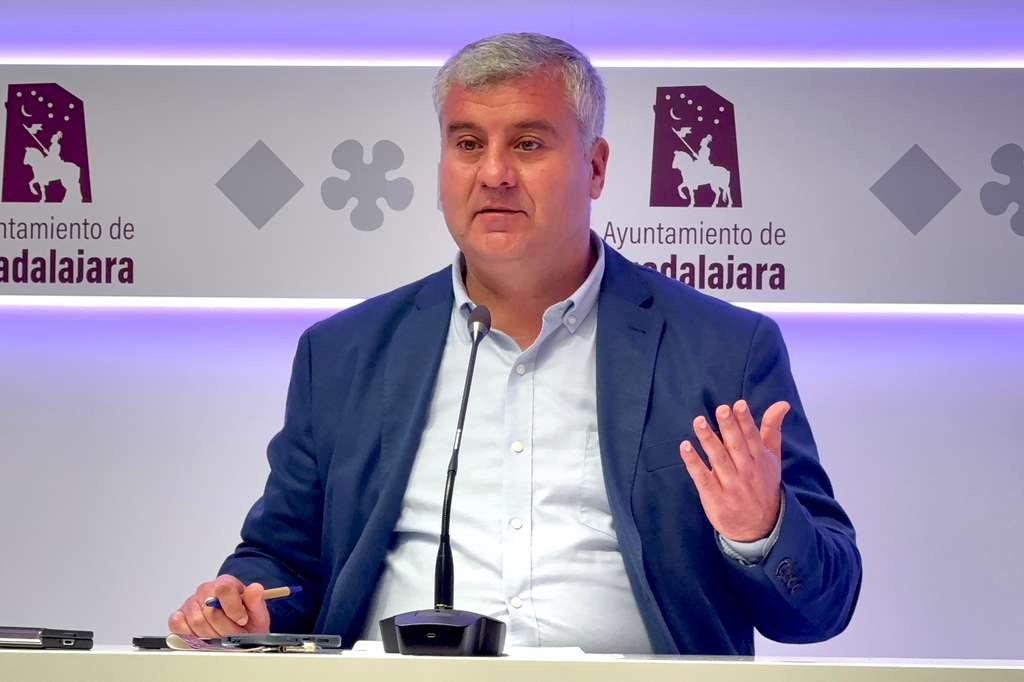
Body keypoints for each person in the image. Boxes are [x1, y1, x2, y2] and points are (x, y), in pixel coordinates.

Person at [169, 32, 861, 655]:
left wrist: (759, 529)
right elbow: (282, 563)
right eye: (468, 144)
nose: (493, 172)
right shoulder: (343, 354)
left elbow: (821, 610)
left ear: (595, 167)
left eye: (528, 144)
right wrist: (243, 606)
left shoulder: (723, 349)